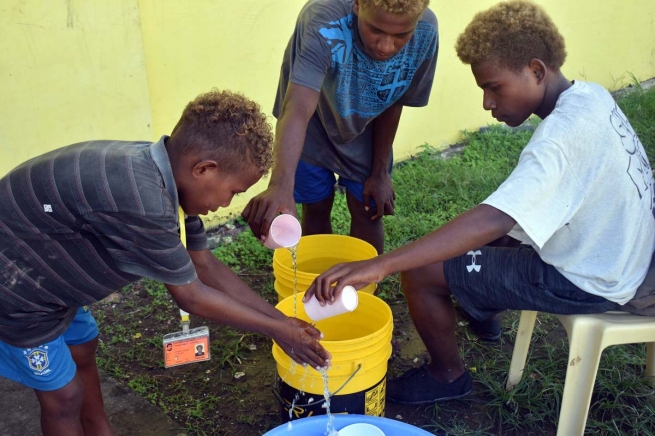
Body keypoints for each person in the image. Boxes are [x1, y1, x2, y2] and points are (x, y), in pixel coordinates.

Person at [304, 0, 655, 404]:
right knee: (469, 240)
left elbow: (495, 218)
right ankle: (482, 311)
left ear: (537, 71)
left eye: (494, 87)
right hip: (620, 251)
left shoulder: (559, 141)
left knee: (420, 272)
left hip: (590, 278)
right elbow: (509, 215)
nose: (488, 104)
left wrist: (381, 263)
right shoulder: (590, 98)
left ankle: (447, 377)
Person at [0, 89, 331, 436]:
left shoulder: (165, 175)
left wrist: (282, 323)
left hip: (50, 278)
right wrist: (277, 331)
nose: (227, 202)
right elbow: (190, 295)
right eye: (233, 191)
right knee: (64, 397)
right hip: (20, 293)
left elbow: (205, 265)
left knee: (83, 348)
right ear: (204, 169)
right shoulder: (145, 201)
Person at [242, 0, 438, 254]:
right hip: (311, 127)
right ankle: (317, 284)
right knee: (315, 205)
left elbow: (395, 96)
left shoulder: (426, 31)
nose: (386, 46)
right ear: (357, 5)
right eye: (375, 30)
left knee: (369, 208)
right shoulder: (322, 21)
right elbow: (298, 109)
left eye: (401, 35)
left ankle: (363, 286)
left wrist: (380, 171)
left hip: (365, 129)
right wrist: (281, 184)